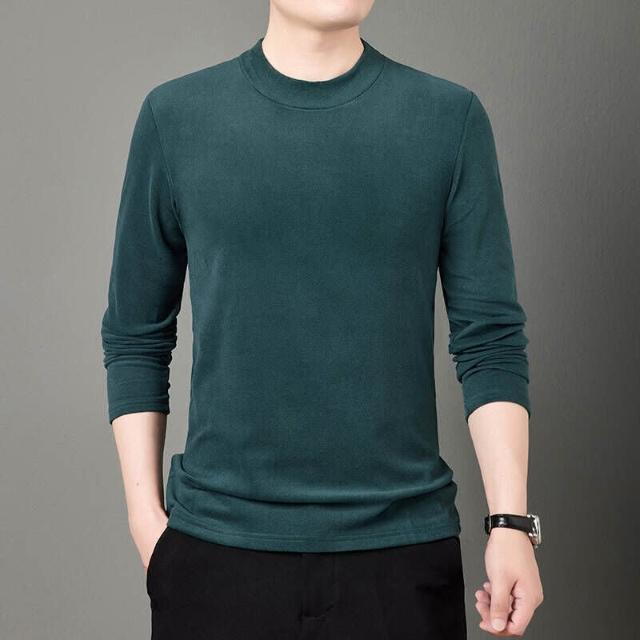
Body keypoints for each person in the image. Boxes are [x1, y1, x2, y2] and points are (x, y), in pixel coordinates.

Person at [100, 1, 544, 638]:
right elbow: (136, 334)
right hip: (217, 557)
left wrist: (510, 524)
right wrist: (147, 524)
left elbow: (490, 341)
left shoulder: (449, 119)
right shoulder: (176, 117)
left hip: (401, 558)